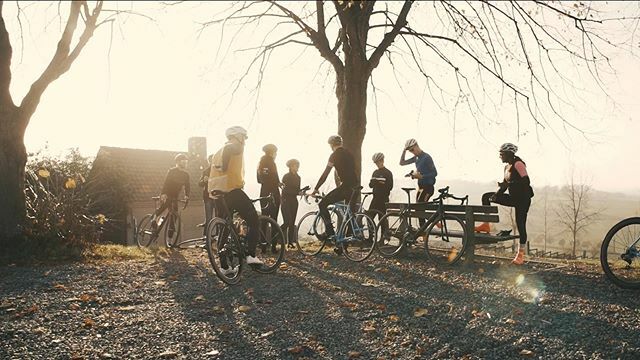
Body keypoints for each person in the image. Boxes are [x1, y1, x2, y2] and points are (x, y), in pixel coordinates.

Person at [209, 126, 263, 271]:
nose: (245, 140)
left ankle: (224, 267)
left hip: (218, 193)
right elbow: (231, 150)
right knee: (253, 220)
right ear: (236, 136)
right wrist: (225, 166)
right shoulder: (234, 146)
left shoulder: (217, 152)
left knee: (225, 227)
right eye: (244, 136)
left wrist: (223, 166)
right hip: (232, 190)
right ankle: (251, 255)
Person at [476, 143, 534, 265]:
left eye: (502, 154)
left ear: (509, 153)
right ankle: (486, 224)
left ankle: (520, 255)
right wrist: (497, 194)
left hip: (523, 199)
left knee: (520, 225)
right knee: (486, 197)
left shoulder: (518, 164)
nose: (500, 156)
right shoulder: (506, 167)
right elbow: (504, 184)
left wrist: (509, 184)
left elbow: (526, 181)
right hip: (513, 197)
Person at [310, 135, 358, 254]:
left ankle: (330, 232)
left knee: (322, 204)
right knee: (349, 215)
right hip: (355, 187)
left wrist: (316, 188)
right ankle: (342, 247)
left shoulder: (334, 155)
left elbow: (325, 174)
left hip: (345, 186)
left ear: (331, 145)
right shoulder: (349, 153)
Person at [399, 138, 437, 227]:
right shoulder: (416, 158)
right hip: (420, 187)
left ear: (417, 146)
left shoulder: (427, 157)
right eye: (410, 151)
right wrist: (404, 150)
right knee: (418, 210)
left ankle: (424, 233)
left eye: (412, 149)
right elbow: (402, 163)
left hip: (428, 187)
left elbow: (435, 173)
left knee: (420, 209)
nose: (412, 152)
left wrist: (422, 176)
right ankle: (428, 228)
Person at [151, 153, 190, 237]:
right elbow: (166, 183)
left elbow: (187, 186)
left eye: (186, 162)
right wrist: (163, 194)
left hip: (175, 196)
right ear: (178, 162)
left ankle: (170, 235)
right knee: (164, 206)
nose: (185, 163)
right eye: (183, 161)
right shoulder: (172, 171)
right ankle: (153, 219)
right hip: (167, 194)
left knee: (175, 214)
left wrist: (187, 195)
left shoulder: (186, 175)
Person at [368, 152, 393, 236]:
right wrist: (373, 182)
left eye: (378, 162)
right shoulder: (375, 172)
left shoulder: (388, 173)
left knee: (382, 219)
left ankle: (383, 238)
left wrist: (380, 183)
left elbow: (390, 186)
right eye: (375, 163)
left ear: (382, 160)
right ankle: (371, 238)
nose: (377, 164)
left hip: (383, 198)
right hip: (375, 198)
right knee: (369, 216)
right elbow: (370, 185)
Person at [257, 144, 281, 225]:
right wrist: (277, 183)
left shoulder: (260, 163)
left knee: (265, 218)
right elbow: (270, 177)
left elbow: (260, 179)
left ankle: (262, 237)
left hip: (264, 191)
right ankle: (274, 237)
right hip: (272, 193)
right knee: (273, 219)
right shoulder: (270, 162)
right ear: (272, 152)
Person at [281, 159, 301, 248]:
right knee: (287, 221)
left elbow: (297, 189)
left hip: (294, 200)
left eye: (297, 165)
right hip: (285, 200)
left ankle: (290, 242)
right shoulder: (286, 176)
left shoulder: (298, 177)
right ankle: (277, 237)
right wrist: (296, 192)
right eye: (295, 165)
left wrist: (301, 192)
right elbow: (285, 190)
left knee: (292, 222)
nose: (297, 167)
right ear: (290, 166)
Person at [198, 154, 216, 235]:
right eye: (210, 160)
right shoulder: (205, 171)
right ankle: (206, 236)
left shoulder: (218, 171)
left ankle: (217, 236)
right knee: (209, 217)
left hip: (217, 197)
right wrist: (204, 181)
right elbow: (200, 183)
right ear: (209, 161)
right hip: (208, 197)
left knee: (218, 217)